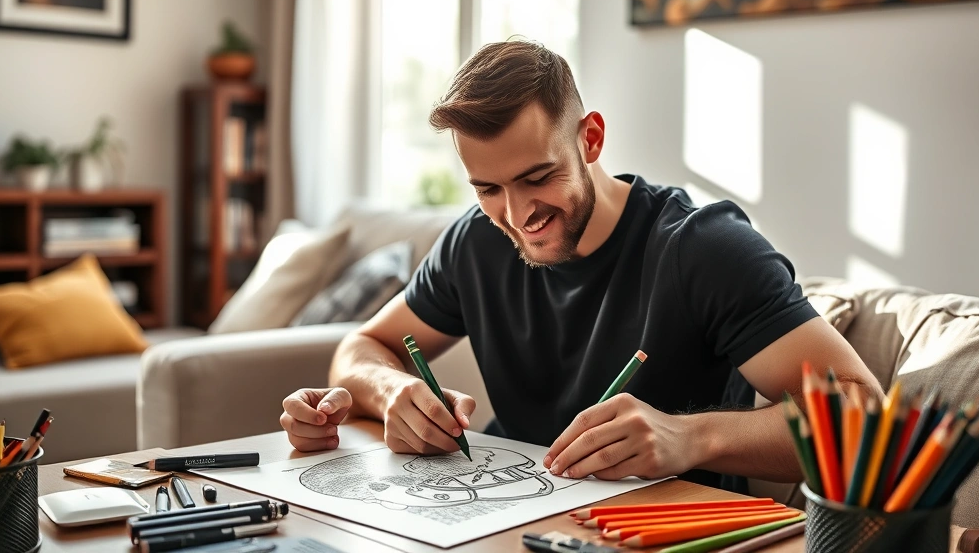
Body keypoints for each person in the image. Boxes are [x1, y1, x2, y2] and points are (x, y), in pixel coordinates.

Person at [279, 40, 881, 488]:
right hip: (505, 519)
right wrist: (394, 393)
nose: (516, 215)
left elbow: (863, 417)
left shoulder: (701, 248)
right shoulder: (475, 244)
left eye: (537, 177)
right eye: (487, 189)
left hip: (662, 530)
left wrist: (689, 436)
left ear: (590, 139)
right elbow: (360, 348)